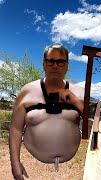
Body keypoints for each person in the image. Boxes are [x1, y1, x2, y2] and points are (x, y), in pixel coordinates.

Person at [9, 42, 84, 180]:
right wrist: (15, 163)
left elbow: (92, 123)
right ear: (44, 64)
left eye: (60, 62)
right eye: (50, 61)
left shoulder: (79, 93)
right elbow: (15, 127)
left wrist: (74, 100)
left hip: (74, 168)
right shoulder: (26, 91)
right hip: (33, 166)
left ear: (67, 65)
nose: (55, 66)